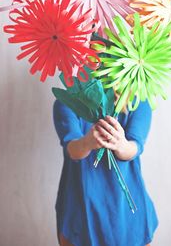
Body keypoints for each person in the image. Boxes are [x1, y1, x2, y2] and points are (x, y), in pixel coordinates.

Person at [53, 98, 158, 246]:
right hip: (80, 209)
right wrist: (88, 142)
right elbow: (72, 149)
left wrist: (121, 145)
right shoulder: (68, 100)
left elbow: (135, 146)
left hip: (128, 210)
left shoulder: (138, 101)